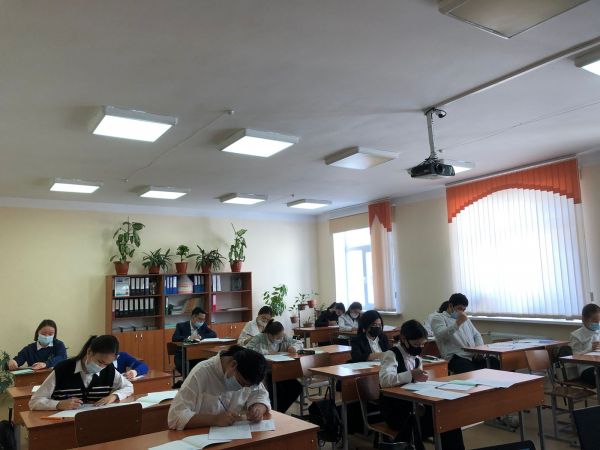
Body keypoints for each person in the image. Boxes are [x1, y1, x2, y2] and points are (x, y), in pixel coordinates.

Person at [380, 320, 465, 450]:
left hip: (414, 405)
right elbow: (384, 381)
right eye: (416, 344)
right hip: (396, 410)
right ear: (404, 339)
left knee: (448, 418)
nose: (419, 347)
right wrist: (410, 374)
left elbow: (417, 384)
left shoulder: (417, 359)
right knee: (439, 420)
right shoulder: (391, 354)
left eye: (422, 344)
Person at [167, 345, 270, 430]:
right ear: (233, 365)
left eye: (247, 386)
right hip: (202, 435)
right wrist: (214, 419)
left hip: (234, 435)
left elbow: (260, 394)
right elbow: (175, 417)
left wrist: (258, 409)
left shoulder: (249, 373)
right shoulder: (201, 372)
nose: (242, 387)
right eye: (241, 383)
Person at [29, 335, 133, 410]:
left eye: (106, 364)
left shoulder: (109, 370)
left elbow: (129, 387)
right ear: (89, 352)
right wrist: (58, 404)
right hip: (65, 424)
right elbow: (34, 401)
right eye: (100, 362)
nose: (102, 367)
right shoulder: (62, 369)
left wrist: (113, 396)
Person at [431, 293, 498, 373]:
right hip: (455, 358)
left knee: (494, 362)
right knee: (470, 371)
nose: (462, 312)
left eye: (464, 309)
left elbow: (476, 335)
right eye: (459, 308)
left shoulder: (465, 319)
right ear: (450, 306)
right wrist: (458, 323)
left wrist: (479, 351)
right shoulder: (439, 318)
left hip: (472, 356)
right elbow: (440, 335)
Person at [247, 320, 303, 413]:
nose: (281, 339)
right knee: (275, 391)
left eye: (282, 336)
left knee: (297, 387)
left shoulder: (284, 336)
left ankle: (279, 411)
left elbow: (299, 342)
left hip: (282, 371)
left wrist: (294, 347)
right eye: (278, 337)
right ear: (269, 335)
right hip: (266, 372)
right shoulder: (259, 338)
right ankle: (275, 410)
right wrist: (266, 352)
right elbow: (248, 349)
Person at [172, 307, 217, 373]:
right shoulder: (181, 326)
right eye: (200, 319)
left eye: (203, 319)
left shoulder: (203, 326)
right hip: (182, 355)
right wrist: (189, 338)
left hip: (197, 355)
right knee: (187, 369)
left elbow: (213, 334)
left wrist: (201, 337)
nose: (202, 322)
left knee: (204, 367)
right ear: (193, 317)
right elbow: (175, 338)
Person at [570, 303, 600, 386]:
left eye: (599, 321)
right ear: (584, 319)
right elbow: (575, 356)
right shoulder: (576, 335)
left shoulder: (598, 332)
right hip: (587, 368)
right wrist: (590, 349)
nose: (598, 324)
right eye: (595, 321)